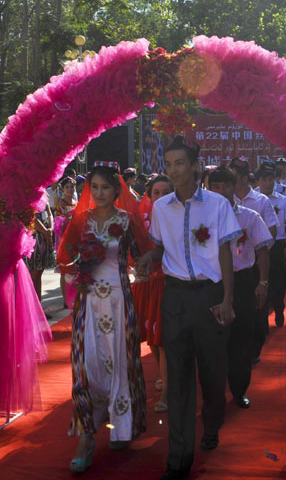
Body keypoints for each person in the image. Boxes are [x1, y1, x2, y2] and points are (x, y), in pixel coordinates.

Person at [136, 136, 241, 480]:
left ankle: (211, 424)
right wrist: (150, 257)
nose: (174, 170)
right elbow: (161, 247)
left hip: (209, 297)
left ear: (195, 165)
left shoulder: (217, 205)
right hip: (176, 299)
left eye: (180, 163)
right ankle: (178, 459)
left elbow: (225, 253)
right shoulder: (162, 207)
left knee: (212, 374)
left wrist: (227, 299)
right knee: (177, 380)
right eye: (168, 164)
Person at [57, 161, 148, 473]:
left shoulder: (127, 220)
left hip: (120, 300)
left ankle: (122, 425)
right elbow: (64, 257)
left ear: (117, 188)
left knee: (121, 362)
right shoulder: (80, 220)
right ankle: (85, 437)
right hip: (89, 304)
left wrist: (149, 265)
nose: (99, 193)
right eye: (93, 187)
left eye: (105, 187)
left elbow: (145, 254)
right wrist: (74, 278)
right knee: (86, 365)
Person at [208, 167, 272, 409]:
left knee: (242, 338)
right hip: (213, 282)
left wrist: (263, 282)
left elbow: (262, 249)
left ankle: (239, 389)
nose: (221, 191)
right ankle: (214, 393)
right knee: (212, 341)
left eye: (226, 185)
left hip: (243, 281)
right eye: (215, 186)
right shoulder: (202, 217)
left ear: (235, 187)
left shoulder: (249, 217)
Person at [132, 174, 174, 413]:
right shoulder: (138, 218)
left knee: (164, 340)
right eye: (156, 192)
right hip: (145, 284)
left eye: (165, 192)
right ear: (148, 195)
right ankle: (161, 374)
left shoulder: (180, 216)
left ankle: (168, 393)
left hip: (168, 283)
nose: (160, 197)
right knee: (154, 339)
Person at [256, 164, 286, 334]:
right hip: (258, 247)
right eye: (264, 179)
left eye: (271, 178)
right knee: (260, 281)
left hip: (277, 245)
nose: (267, 183)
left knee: (279, 281)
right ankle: (262, 316)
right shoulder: (253, 199)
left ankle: (279, 307)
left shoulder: (282, 200)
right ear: (258, 181)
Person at [25, 201, 55, 306]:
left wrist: (50, 229)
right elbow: (31, 218)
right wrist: (45, 231)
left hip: (45, 238)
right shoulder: (29, 196)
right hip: (35, 238)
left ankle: (39, 307)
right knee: (33, 274)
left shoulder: (44, 195)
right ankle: (32, 308)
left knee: (39, 274)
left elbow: (49, 213)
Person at [54, 176, 78, 307]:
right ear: (63, 189)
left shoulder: (76, 203)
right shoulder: (60, 204)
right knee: (64, 271)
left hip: (75, 240)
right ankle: (65, 299)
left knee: (74, 269)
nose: (70, 189)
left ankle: (73, 296)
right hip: (64, 240)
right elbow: (58, 225)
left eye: (72, 186)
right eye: (67, 187)